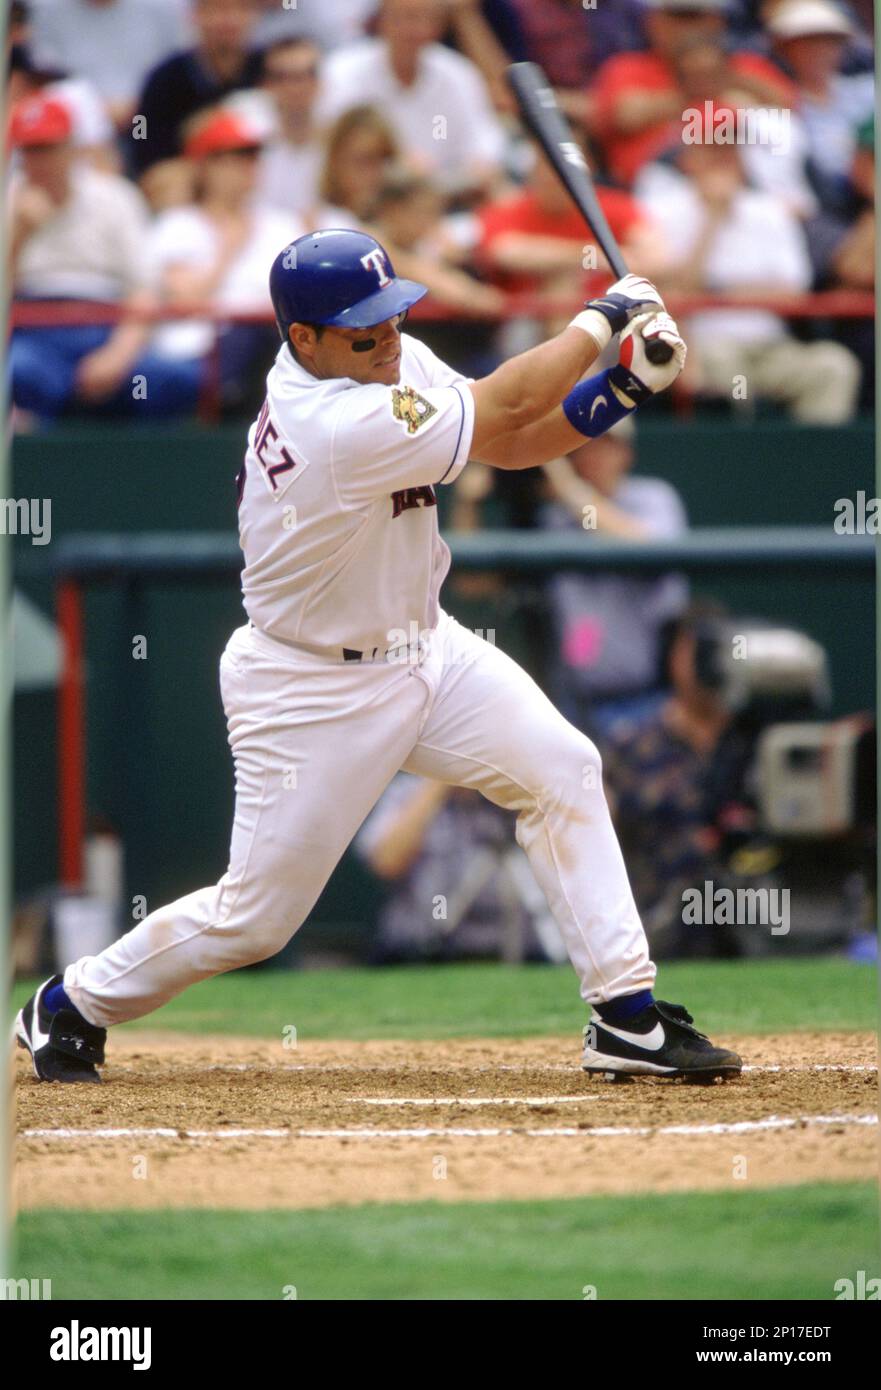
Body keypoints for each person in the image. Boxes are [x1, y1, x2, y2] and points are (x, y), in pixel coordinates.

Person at [16, 227, 742, 1086]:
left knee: (562, 768)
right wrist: (601, 319)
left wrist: (620, 386)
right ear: (304, 340)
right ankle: (69, 1003)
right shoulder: (327, 422)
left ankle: (626, 1018)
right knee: (256, 921)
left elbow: (506, 441)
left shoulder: (375, 364)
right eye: (364, 330)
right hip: (310, 686)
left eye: (391, 317)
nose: (387, 339)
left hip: (424, 647)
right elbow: (507, 405)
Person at [636, 138, 861, 421]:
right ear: (687, 157)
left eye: (730, 148)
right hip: (705, 346)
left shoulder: (769, 210)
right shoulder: (660, 210)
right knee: (722, 365)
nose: (723, 158)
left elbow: (794, 293)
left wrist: (715, 292)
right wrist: (713, 219)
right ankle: (741, 462)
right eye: (711, 149)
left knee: (833, 365)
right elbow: (675, 294)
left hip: (771, 344)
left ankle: (814, 463)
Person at [8, 92, 198, 424]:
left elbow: (145, 289)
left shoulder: (114, 197)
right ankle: (33, 469)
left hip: (107, 326)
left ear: (71, 148)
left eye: (47, 148)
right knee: (17, 374)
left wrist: (118, 354)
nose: (38, 161)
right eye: (29, 150)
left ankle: (143, 472)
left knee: (169, 381)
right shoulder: (7, 199)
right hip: (34, 331)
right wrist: (19, 236)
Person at [541, 414, 689, 738]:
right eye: (585, 446)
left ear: (626, 453)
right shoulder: (553, 515)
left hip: (644, 700)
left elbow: (652, 551)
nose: (594, 456)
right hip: (572, 703)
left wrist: (569, 489)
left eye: (606, 445)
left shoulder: (653, 498)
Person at [148, 107, 302, 414]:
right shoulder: (177, 224)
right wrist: (227, 252)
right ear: (204, 166)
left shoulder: (283, 225)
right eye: (234, 156)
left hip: (275, 350)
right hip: (196, 351)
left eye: (252, 155)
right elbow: (185, 299)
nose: (247, 166)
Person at [356, 775, 565, 963]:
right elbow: (386, 862)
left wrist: (516, 791)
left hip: (519, 952)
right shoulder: (407, 790)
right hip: (418, 953)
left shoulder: (520, 794)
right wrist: (439, 781)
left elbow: (570, 869)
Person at [591, 0, 794, 187]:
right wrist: (696, 91)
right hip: (658, 190)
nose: (686, 28)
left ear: (717, 21)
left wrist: (726, 77)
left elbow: (787, 106)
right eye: (678, 18)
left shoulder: (744, 65)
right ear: (654, 22)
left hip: (747, 187)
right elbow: (623, 116)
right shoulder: (627, 67)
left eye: (695, 17)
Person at [318, 0, 507, 198]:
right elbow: (329, 148)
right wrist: (394, 166)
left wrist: (478, 166)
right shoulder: (342, 71)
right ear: (382, 19)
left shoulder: (458, 74)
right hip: (364, 205)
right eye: (407, 17)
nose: (417, 29)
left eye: (428, 19)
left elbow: (485, 142)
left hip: (446, 202)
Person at [127, 0, 262, 180]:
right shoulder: (165, 78)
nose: (229, 20)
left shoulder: (271, 69)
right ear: (195, 15)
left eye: (239, 9)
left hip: (258, 170)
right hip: (191, 174)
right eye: (217, 10)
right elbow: (143, 141)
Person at [28, 0, 190, 131]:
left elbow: (181, 67)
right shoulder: (44, 9)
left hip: (147, 118)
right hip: (77, 125)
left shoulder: (164, 7)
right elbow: (42, 75)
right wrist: (94, 112)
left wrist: (138, 106)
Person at [254, 37, 324, 219]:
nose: (295, 87)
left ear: (319, 83)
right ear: (267, 85)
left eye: (305, 76)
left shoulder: (340, 144)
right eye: (283, 77)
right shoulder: (248, 143)